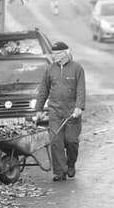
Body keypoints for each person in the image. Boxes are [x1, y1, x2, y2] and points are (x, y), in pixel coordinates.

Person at [35, 41, 86, 181]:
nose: (53, 56)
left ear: (65, 54)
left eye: (56, 54)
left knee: (71, 141)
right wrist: (38, 109)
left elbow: (81, 90)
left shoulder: (77, 69)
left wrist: (78, 107)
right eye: (53, 53)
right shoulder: (50, 69)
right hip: (55, 111)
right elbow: (43, 90)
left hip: (72, 113)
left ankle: (70, 164)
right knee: (56, 141)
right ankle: (59, 172)